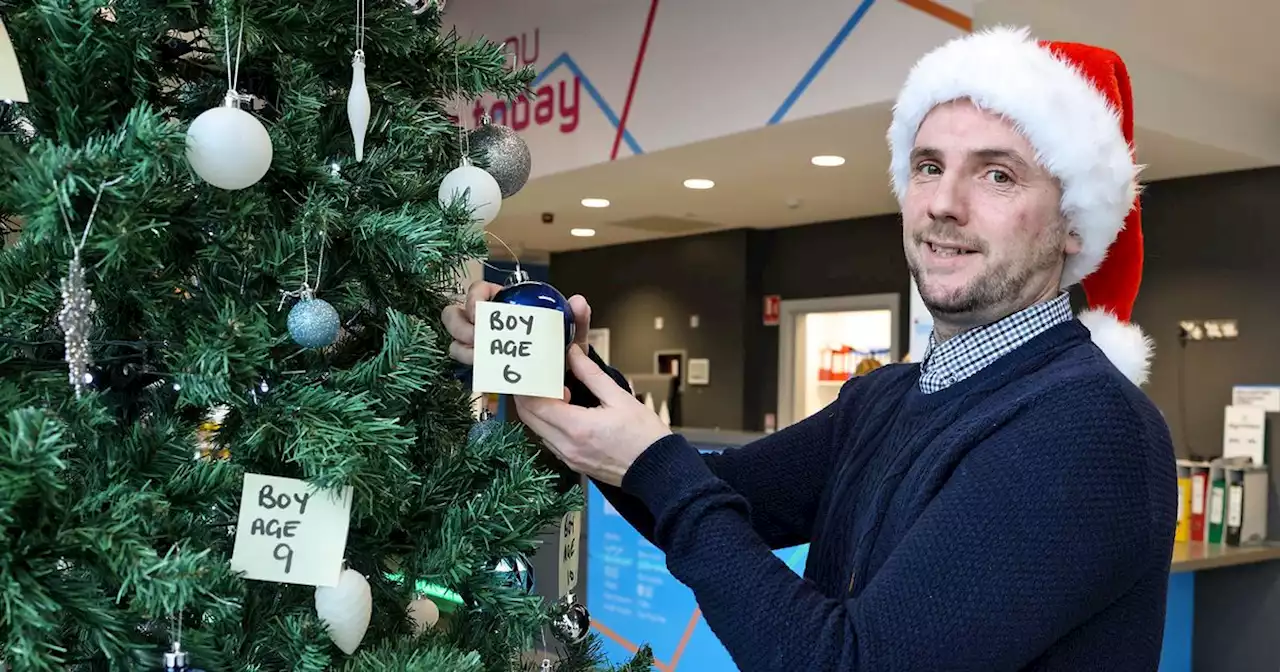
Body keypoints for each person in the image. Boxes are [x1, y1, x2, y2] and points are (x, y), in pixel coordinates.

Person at [443, 26, 1176, 671]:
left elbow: (847, 660)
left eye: (997, 174)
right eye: (927, 166)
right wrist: (553, 358)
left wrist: (653, 461)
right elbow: (723, 498)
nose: (944, 203)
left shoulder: (1091, 428)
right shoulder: (887, 398)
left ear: (1074, 224)